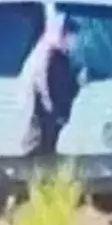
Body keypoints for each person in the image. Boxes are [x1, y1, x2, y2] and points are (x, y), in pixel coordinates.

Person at [21, 13, 82, 157]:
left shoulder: (62, 58)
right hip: (47, 119)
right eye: (71, 36)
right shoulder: (52, 57)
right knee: (43, 153)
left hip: (53, 117)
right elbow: (44, 86)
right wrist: (52, 110)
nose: (74, 41)